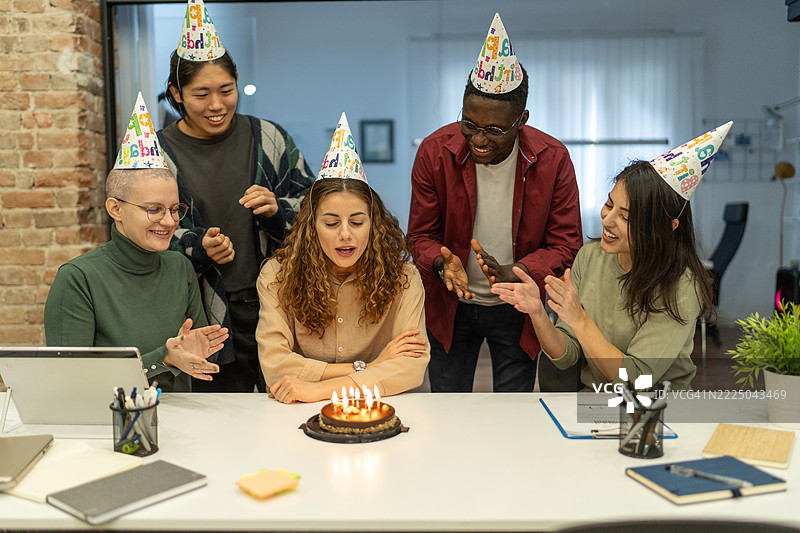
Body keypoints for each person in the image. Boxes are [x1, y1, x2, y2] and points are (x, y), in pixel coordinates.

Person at [407, 13, 583, 393]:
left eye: (495, 130)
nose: (478, 140)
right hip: (451, 307)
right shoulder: (435, 153)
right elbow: (419, 235)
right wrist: (441, 262)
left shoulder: (552, 159)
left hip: (519, 308)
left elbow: (567, 245)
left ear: (522, 119)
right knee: (448, 410)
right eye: (469, 124)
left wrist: (517, 271)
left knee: (513, 417)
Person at [490, 123, 733, 390]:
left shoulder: (681, 286)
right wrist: (537, 312)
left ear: (665, 228)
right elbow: (566, 355)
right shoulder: (590, 257)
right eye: (609, 204)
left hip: (652, 409)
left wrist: (579, 319)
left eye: (625, 216)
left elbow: (637, 380)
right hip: (597, 402)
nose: (607, 220)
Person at [156, 0, 314, 392]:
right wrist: (196, 248)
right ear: (176, 93)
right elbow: (136, 229)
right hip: (200, 317)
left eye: (226, 90)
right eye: (200, 94)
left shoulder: (270, 138)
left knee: (285, 416)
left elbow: (318, 208)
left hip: (276, 310)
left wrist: (278, 211)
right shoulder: (156, 155)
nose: (216, 105)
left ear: (238, 79)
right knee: (220, 426)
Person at [44, 93, 228, 392]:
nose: (169, 222)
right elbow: (70, 383)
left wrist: (199, 349)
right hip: (111, 424)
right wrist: (162, 359)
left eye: (174, 210)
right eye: (154, 209)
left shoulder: (179, 266)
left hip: (182, 420)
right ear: (115, 209)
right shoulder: (78, 278)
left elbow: (197, 349)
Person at [257, 114, 429, 404]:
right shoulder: (277, 275)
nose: (346, 235)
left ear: (374, 224)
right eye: (332, 223)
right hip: (295, 411)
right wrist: (369, 368)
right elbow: (275, 366)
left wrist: (319, 389)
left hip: (374, 406)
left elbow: (411, 368)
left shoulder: (404, 279)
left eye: (358, 222)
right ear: (311, 227)